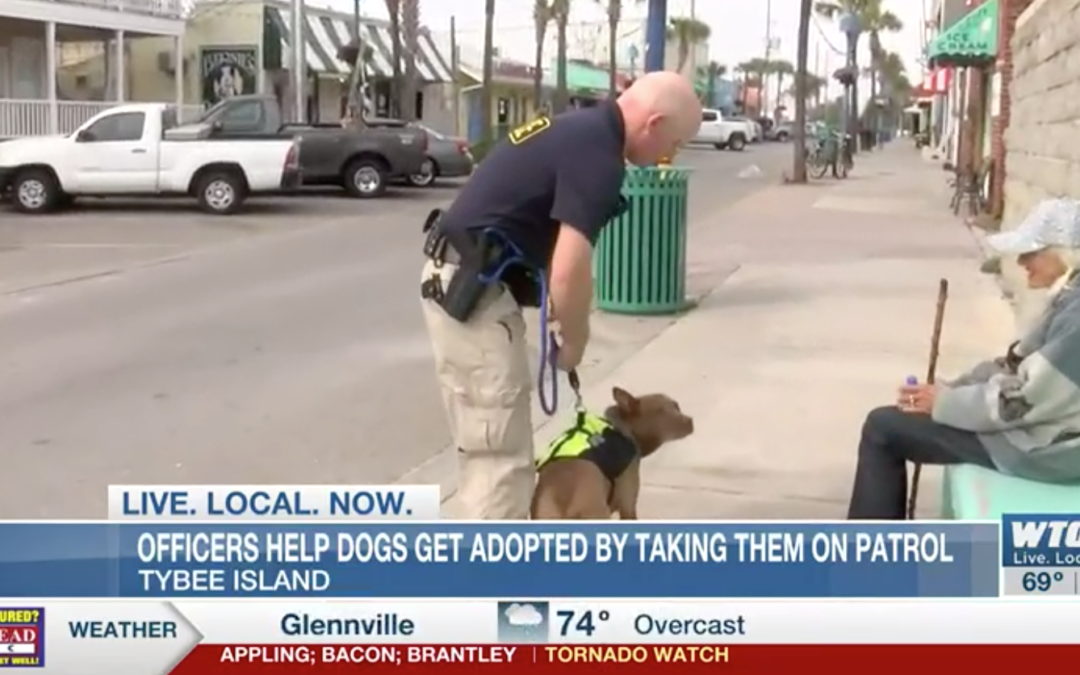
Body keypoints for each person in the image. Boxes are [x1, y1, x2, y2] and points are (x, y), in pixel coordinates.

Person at [419, 72, 703, 519]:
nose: (669, 155)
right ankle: (495, 580)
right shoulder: (599, 158)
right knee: (500, 462)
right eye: (675, 142)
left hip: (465, 279)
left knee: (485, 451)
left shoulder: (580, 131)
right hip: (470, 290)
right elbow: (570, 269)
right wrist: (574, 342)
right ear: (655, 122)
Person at [848, 198, 1080, 519]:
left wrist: (945, 403)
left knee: (883, 428)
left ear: (1065, 252)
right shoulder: (1069, 298)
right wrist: (951, 390)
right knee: (892, 422)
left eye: (1032, 253)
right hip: (1049, 434)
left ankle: (868, 562)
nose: (1022, 262)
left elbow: (1020, 402)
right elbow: (1014, 362)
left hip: (1052, 449)